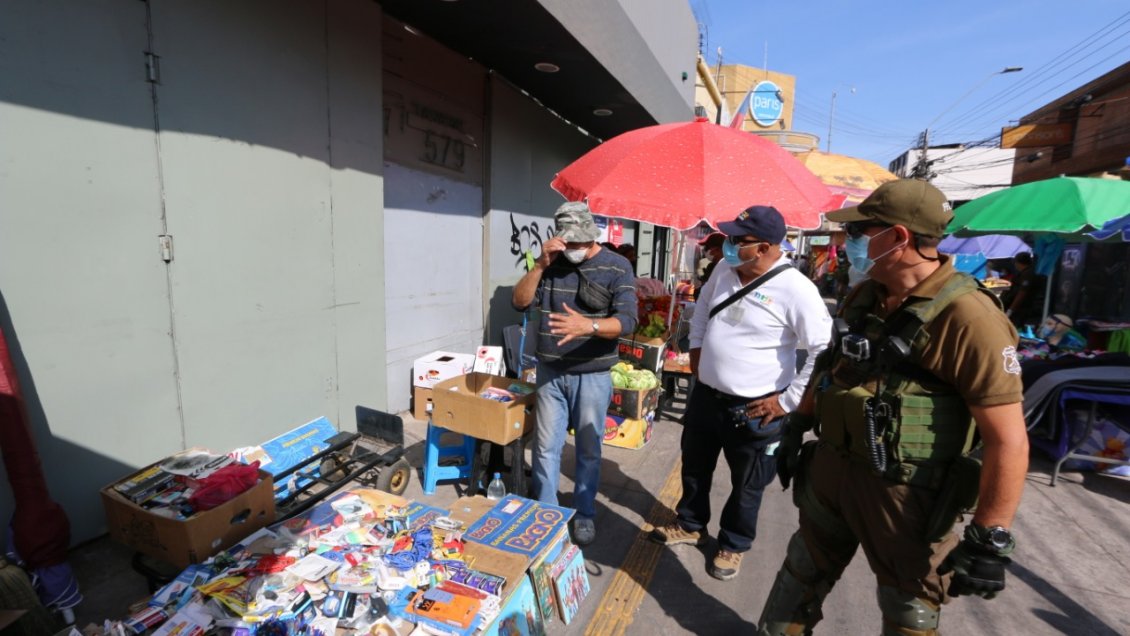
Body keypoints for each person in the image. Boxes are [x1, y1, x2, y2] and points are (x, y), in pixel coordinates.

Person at [760, 180, 1029, 635]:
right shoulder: (864, 295)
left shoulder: (970, 319)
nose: (850, 243)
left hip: (906, 497)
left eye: (862, 231)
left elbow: (1008, 439)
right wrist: (798, 423)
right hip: (833, 474)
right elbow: (831, 363)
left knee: (910, 612)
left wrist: (989, 536)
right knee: (796, 584)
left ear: (899, 237)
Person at [649, 205, 832, 581]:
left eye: (738, 241)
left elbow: (823, 351)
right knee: (695, 467)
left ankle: (733, 545)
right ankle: (690, 524)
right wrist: (697, 352)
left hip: (756, 408)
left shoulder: (797, 290)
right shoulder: (724, 269)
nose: (728, 247)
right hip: (707, 397)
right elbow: (702, 311)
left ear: (764, 247)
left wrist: (787, 401)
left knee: (747, 484)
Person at [511, 202, 638, 546]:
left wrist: (590, 326)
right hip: (550, 370)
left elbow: (628, 320)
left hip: (593, 374)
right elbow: (520, 302)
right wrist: (539, 264)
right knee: (545, 447)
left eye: (581, 244)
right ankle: (547, 514)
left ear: (592, 236)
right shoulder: (550, 263)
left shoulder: (617, 265)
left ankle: (584, 513)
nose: (576, 251)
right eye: (571, 244)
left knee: (588, 449)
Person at [999, 252, 1045, 328]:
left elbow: (1022, 293)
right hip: (1017, 308)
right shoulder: (1023, 273)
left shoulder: (1028, 274)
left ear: (1018, 263)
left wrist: (1011, 310)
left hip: (1020, 310)